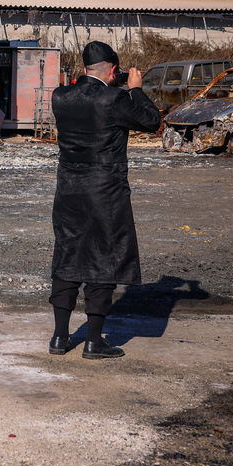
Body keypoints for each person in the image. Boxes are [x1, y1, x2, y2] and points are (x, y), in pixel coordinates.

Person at [48, 40, 161, 360]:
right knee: (103, 260)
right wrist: (136, 89)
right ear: (114, 71)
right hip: (105, 192)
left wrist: (117, 86)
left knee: (67, 256)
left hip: (68, 190)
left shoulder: (60, 97)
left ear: (84, 69)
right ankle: (94, 341)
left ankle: (59, 337)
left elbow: (88, 96)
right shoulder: (115, 99)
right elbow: (151, 120)